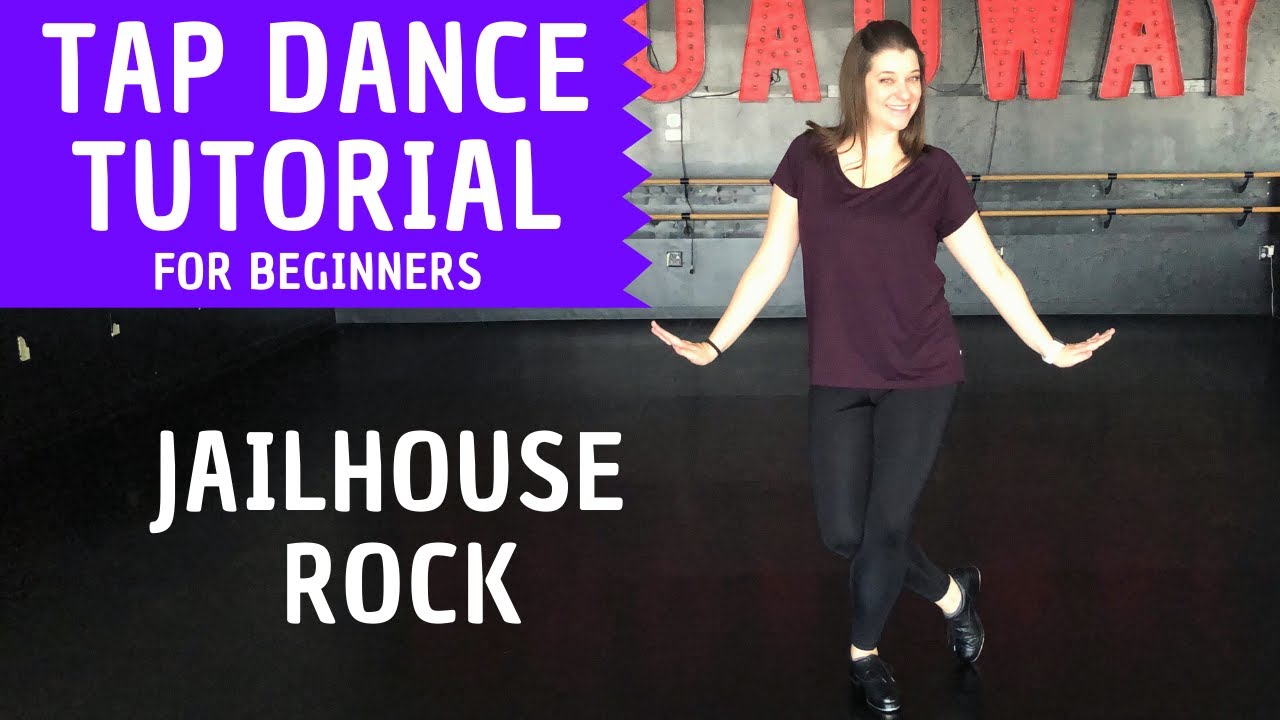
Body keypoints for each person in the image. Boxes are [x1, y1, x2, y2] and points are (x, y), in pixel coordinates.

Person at [650, 19, 1116, 714]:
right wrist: (715, 343)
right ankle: (954, 594)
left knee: (888, 527)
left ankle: (864, 656)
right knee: (846, 534)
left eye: (913, 78)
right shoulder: (807, 160)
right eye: (887, 78)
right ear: (858, 85)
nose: (904, 92)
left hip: (922, 373)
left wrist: (1049, 346)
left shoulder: (936, 174)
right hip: (839, 372)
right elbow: (772, 259)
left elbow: (990, 269)